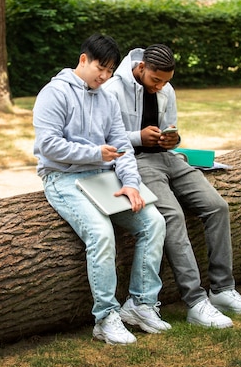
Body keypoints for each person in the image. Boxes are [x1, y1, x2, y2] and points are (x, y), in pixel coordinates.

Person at [103, 44, 241, 329]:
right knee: (172, 217)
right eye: (155, 80)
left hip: (168, 158)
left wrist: (172, 140)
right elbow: (105, 137)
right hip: (136, 163)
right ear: (140, 69)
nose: (160, 86)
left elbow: (170, 127)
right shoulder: (113, 89)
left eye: (165, 81)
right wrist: (138, 137)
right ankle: (196, 302)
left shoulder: (166, 89)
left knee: (217, 207)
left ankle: (223, 290)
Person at [32, 34, 171, 345]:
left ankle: (140, 304)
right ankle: (106, 318)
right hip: (62, 178)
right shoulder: (53, 94)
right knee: (101, 232)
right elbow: (49, 146)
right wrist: (95, 154)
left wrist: (132, 185)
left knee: (154, 222)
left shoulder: (106, 97)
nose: (105, 77)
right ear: (83, 60)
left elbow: (122, 146)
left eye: (110, 71)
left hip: (104, 177)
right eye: (100, 68)